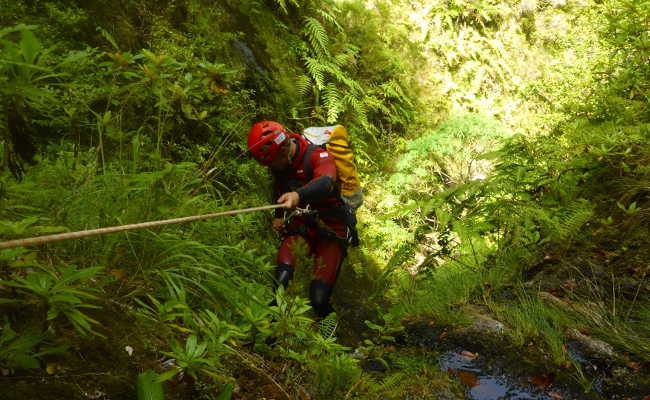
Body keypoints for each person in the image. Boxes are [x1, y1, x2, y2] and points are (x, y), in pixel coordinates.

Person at [247, 121, 349, 318]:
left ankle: (331, 342)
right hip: (301, 225)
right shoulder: (279, 165)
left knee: (318, 298)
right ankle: (270, 333)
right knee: (280, 282)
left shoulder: (319, 156)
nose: (272, 168)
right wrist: (279, 217)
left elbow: (326, 182)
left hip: (331, 230)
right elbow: (278, 188)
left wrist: (298, 195)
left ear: (284, 150)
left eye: (273, 163)